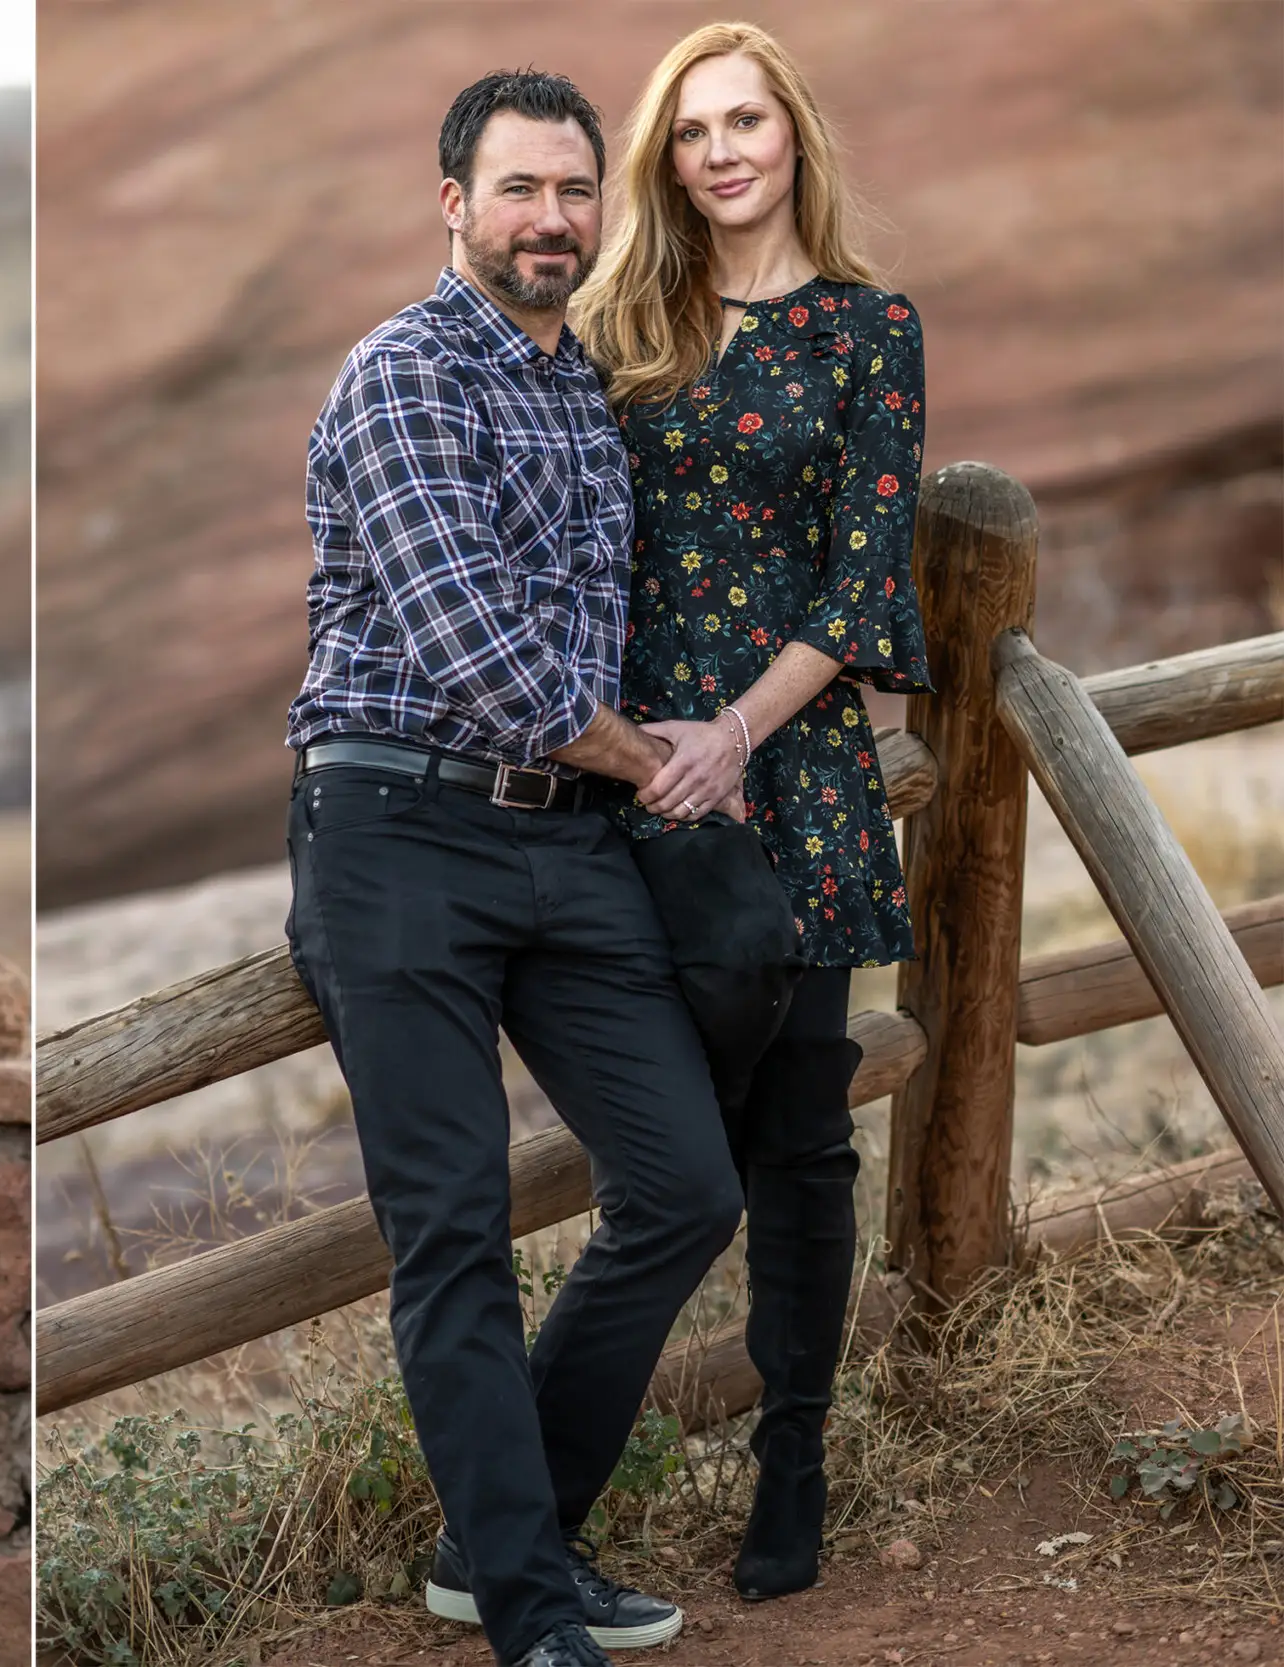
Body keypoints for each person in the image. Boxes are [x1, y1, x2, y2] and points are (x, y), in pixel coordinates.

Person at [283, 69, 745, 1667]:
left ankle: (502, 1542)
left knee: (684, 1185)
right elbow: (484, 654)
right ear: (454, 206)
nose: (551, 219)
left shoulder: (578, 389)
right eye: (520, 190)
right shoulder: (405, 373)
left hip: (562, 839)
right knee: (456, 1228)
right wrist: (671, 756)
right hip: (399, 828)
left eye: (574, 190)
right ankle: (534, 1617)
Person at [572, 20, 930, 1602]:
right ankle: (549, 1479)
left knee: (800, 1138)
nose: (721, 152)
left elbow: (867, 583)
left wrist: (738, 730)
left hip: (793, 767)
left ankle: (795, 1457)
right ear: (667, 158)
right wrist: (651, 748)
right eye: (693, 131)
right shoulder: (615, 317)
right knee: (667, 1148)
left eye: (747, 123)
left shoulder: (871, 328)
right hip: (639, 779)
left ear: (795, 140)